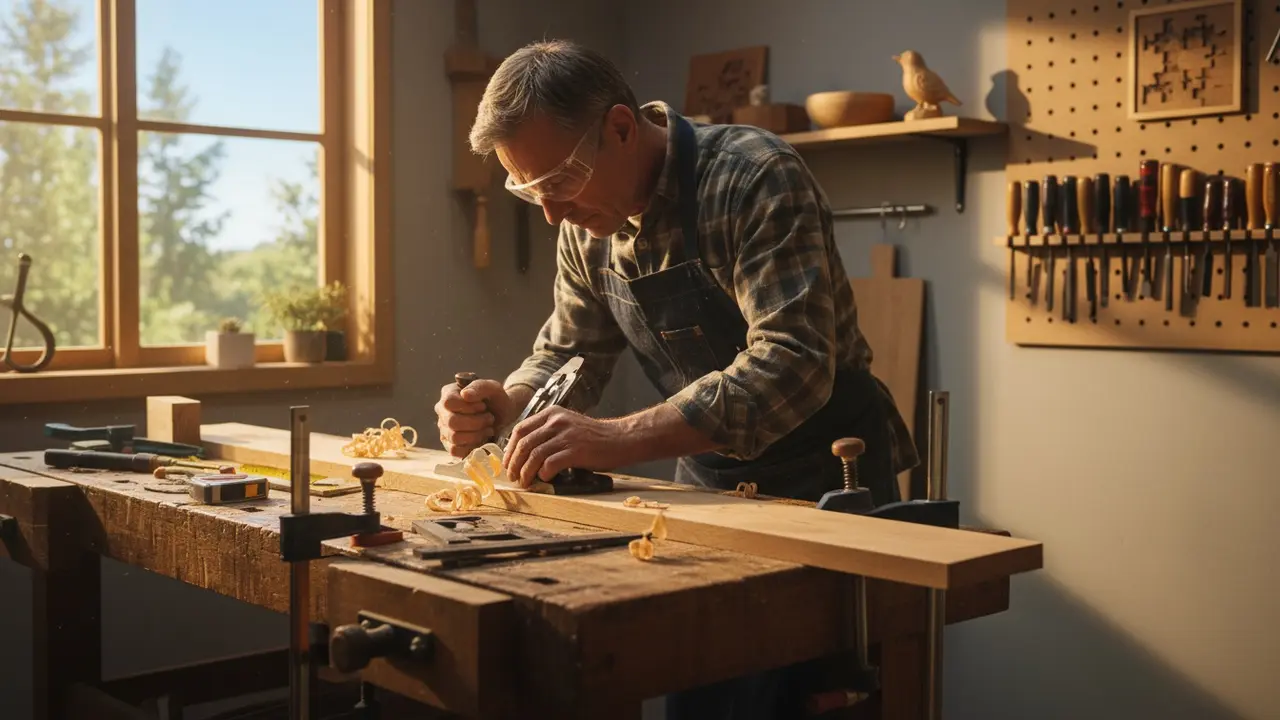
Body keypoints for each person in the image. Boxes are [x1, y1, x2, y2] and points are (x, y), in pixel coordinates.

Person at [434, 39, 920, 718]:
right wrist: (511, 400)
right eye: (529, 190)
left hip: (830, 482)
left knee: (814, 698)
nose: (551, 213)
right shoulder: (584, 224)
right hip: (713, 486)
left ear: (622, 127)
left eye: (560, 182)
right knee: (708, 683)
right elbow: (572, 348)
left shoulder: (753, 175)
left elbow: (795, 360)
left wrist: (616, 437)